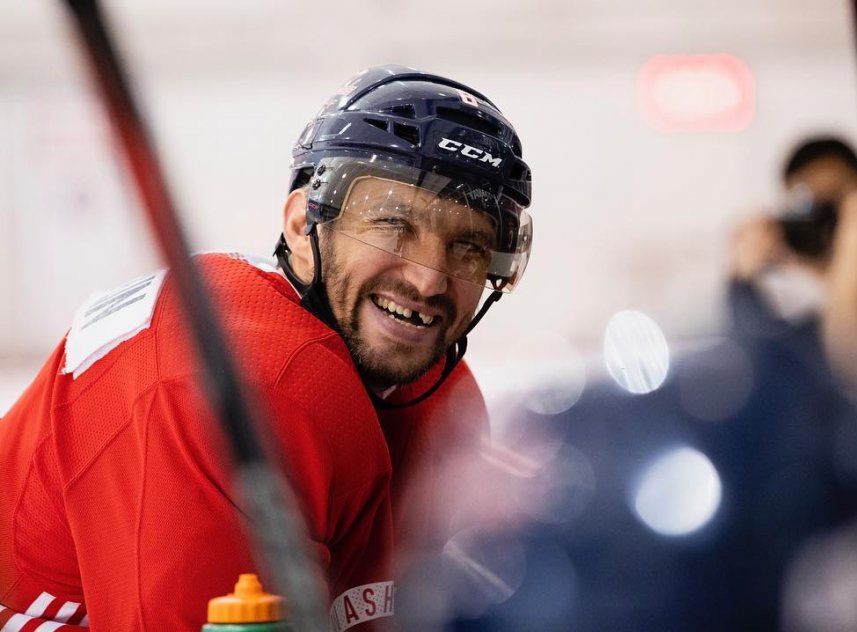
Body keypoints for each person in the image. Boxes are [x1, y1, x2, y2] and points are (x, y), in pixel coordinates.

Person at [0, 65, 533, 631]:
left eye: (469, 247)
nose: (428, 279)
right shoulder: (240, 382)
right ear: (304, 226)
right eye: (391, 224)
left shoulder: (436, 397)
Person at [729, 136, 857, 392]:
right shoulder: (791, 318)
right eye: (808, 207)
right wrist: (741, 283)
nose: (826, 223)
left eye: (835, 201)